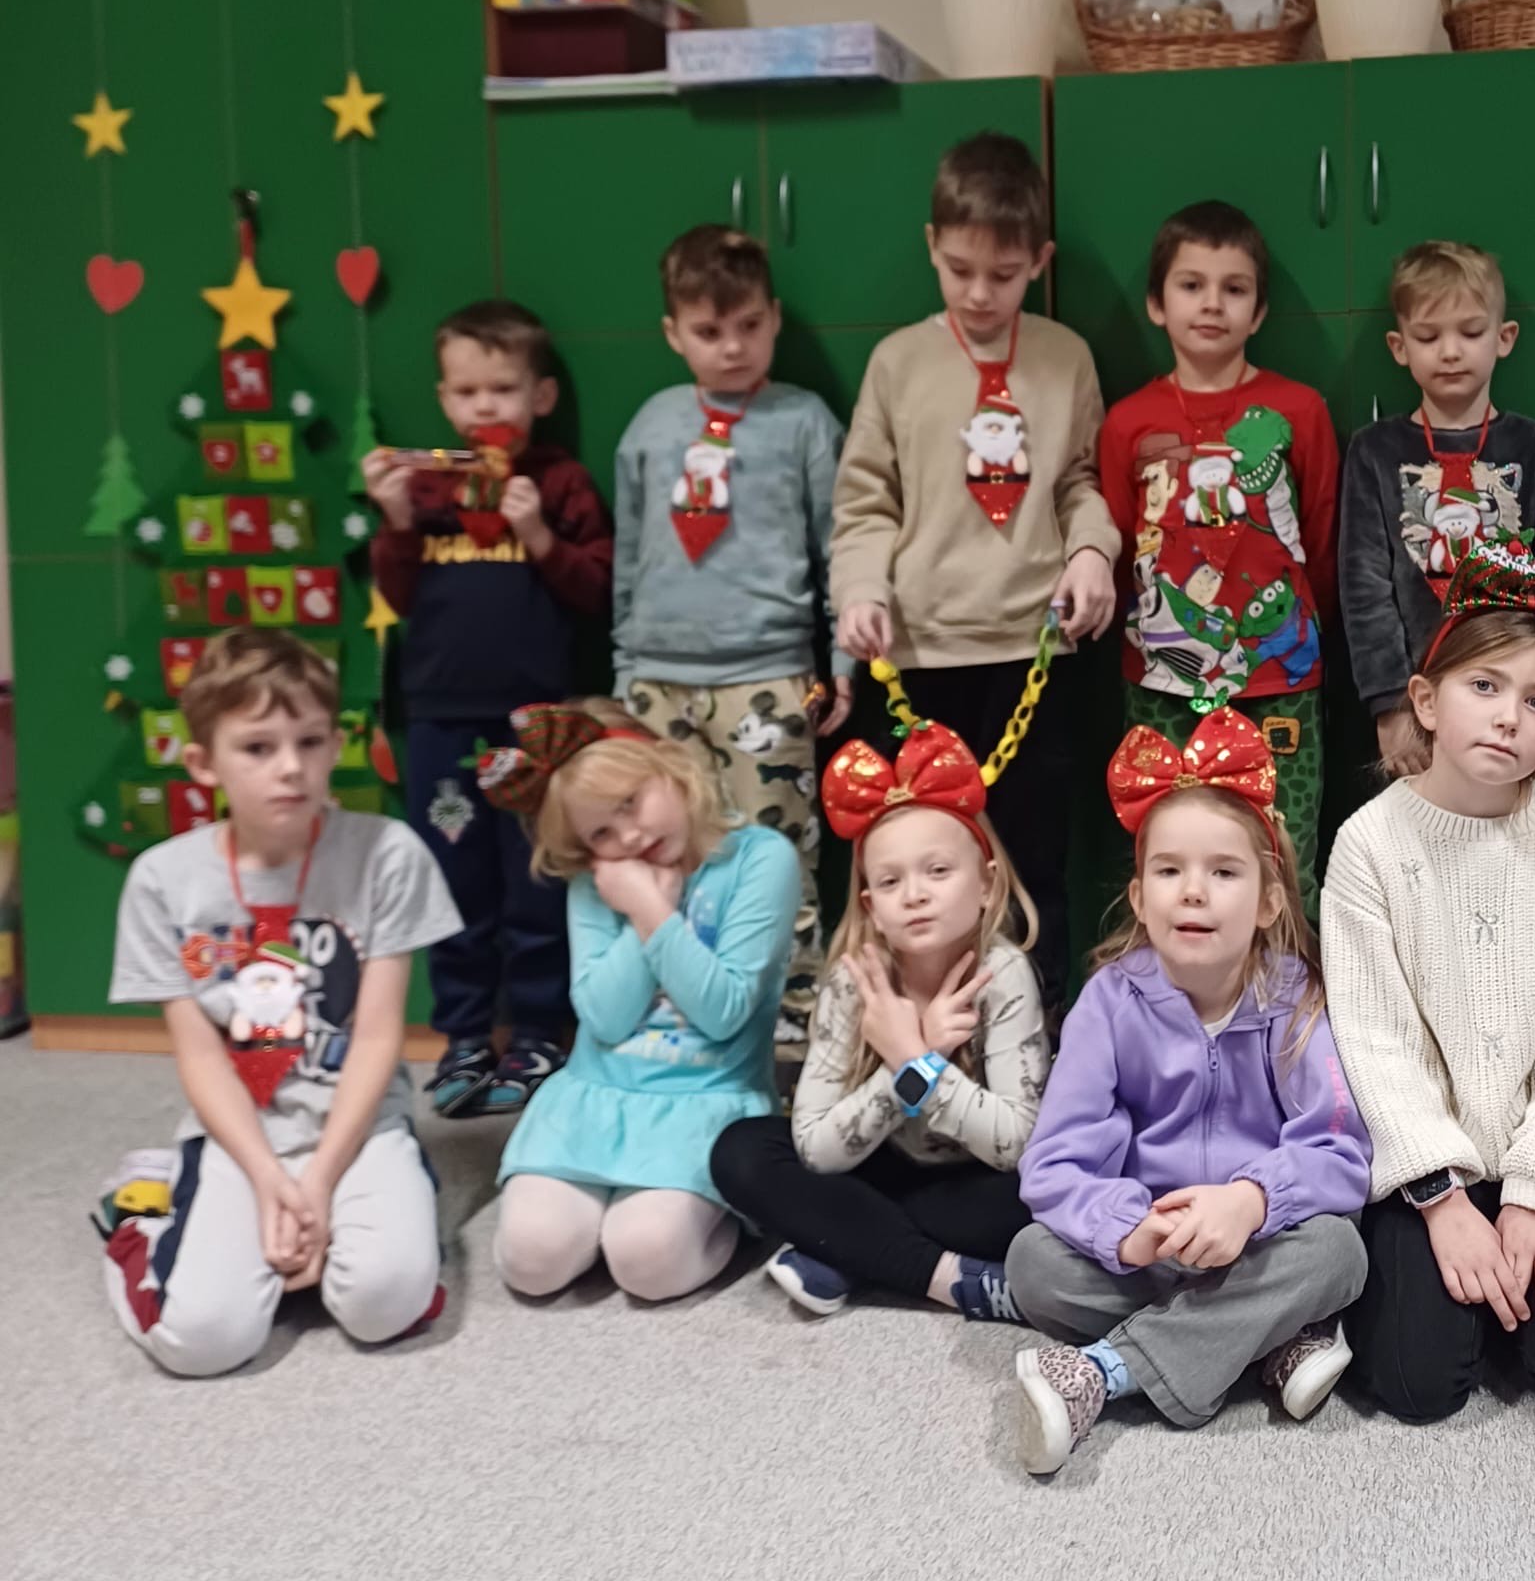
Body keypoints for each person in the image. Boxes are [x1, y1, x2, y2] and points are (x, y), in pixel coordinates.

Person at [1321, 540, 1535, 1430]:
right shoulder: (1370, 844)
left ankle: (1512, 1292)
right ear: (1426, 701)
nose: (1508, 718)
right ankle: (1474, 1291)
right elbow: (1375, 1040)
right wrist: (1441, 1200)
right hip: (1432, 1170)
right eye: (1485, 686)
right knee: (1417, 1385)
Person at [1003, 709, 1370, 1473]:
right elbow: (1054, 1165)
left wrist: (1251, 1201)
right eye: (1169, 872)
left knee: (1339, 1254)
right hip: (1153, 1251)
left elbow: (1340, 1152)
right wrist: (1127, 1229)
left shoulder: (1297, 999)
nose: (1194, 892)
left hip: (1261, 1240)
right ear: (1140, 898)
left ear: (1268, 901)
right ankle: (1263, 1341)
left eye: (1224, 873)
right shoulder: (1108, 1003)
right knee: (1033, 1264)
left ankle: (1103, 1372)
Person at [102, 629, 459, 1375]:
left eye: (310, 741)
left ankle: (349, 1226)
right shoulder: (162, 881)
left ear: (336, 744)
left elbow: (376, 1038)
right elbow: (201, 1055)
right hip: (240, 1129)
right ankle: (141, 1214)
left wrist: (319, 1182)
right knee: (203, 1342)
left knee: (385, 1305)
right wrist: (270, 1179)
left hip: (358, 1121)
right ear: (204, 763)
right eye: (258, 747)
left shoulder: (388, 853)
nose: (291, 766)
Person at [831, 131, 1120, 1003]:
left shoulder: (1065, 357)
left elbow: (1080, 480)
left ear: (1040, 261)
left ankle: (1040, 1038)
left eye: (1004, 274)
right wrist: (860, 589)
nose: (980, 293)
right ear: (932, 246)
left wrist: (1092, 551)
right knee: (919, 865)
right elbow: (865, 500)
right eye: (960, 270)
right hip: (919, 656)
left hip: (1033, 652)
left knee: (1031, 859)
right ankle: (923, 1031)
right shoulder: (898, 363)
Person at [710, 714, 1046, 1320]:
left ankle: (847, 1248)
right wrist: (903, 1071)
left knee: (1040, 1197)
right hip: (873, 1169)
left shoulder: (1004, 973)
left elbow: (1016, 1146)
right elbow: (817, 1151)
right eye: (890, 881)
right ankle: (948, 1279)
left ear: (986, 884)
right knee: (741, 1151)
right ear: (870, 905)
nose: (914, 894)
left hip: (973, 1182)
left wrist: (919, 1063)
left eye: (938, 871)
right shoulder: (854, 978)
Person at [364, 299, 612, 1119]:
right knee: (453, 880)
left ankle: (540, 1032)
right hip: (441, 716)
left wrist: (539, 534)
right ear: (443, 399)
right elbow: (398, 594)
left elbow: (596, 590)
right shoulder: (426, 486)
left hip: (536, 720)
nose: (484, 408)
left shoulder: (561, 482)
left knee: (538, 879)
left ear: (540, 396)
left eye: (501, 390)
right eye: (466, 392)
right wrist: (398, 520)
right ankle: (465, 1034)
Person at [614, 225, 852, 1063]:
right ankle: (675, 1002)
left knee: (778, 854)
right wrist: (626, 668)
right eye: (708, 331)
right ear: (673, 332)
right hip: (659, 679)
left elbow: (840, 546)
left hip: (767, 676)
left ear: (774, 318)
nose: (732, 347)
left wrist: (843, 665)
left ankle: (794, 1010)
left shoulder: (803, 421)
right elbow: (629, 556)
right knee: (662, 848)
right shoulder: (651, 426)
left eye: (749, 325)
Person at [478, 701, 800, 1304]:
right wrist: (636, 906)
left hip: (706, 1100)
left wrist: (652, 909)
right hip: (592, 1100)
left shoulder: (759, 857)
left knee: (647, 1261)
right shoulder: (599, 877)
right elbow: (604, 1018)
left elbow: (725, 1012)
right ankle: (610, 1217)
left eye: (630, 802)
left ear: (670, 768)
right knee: (531, 1261)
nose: (627, 837)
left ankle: (725, 1215)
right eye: (600, 832)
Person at [1097, 200, 1340, 909]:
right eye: (1191, 285)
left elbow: (1321, 538)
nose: (1212, 304)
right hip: (1161, 682)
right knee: (1171, 859)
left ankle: (1293, 981)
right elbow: (1119, 547)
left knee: (1284, 858)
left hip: (1279, 679)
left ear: (1258, 312)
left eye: (1233, 289)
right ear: (1156, 303)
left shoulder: (1299, 410)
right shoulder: (1128, 422)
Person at [1339, 241, 1535, 782]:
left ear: (1504, 337)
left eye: (1470, 333)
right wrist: (1390, 702)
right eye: (1429, 337)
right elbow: (1364, 587)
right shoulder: (1374, 452)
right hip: (1413, 704)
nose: (1450, 351)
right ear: (1399, 347)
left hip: (1514, 706)